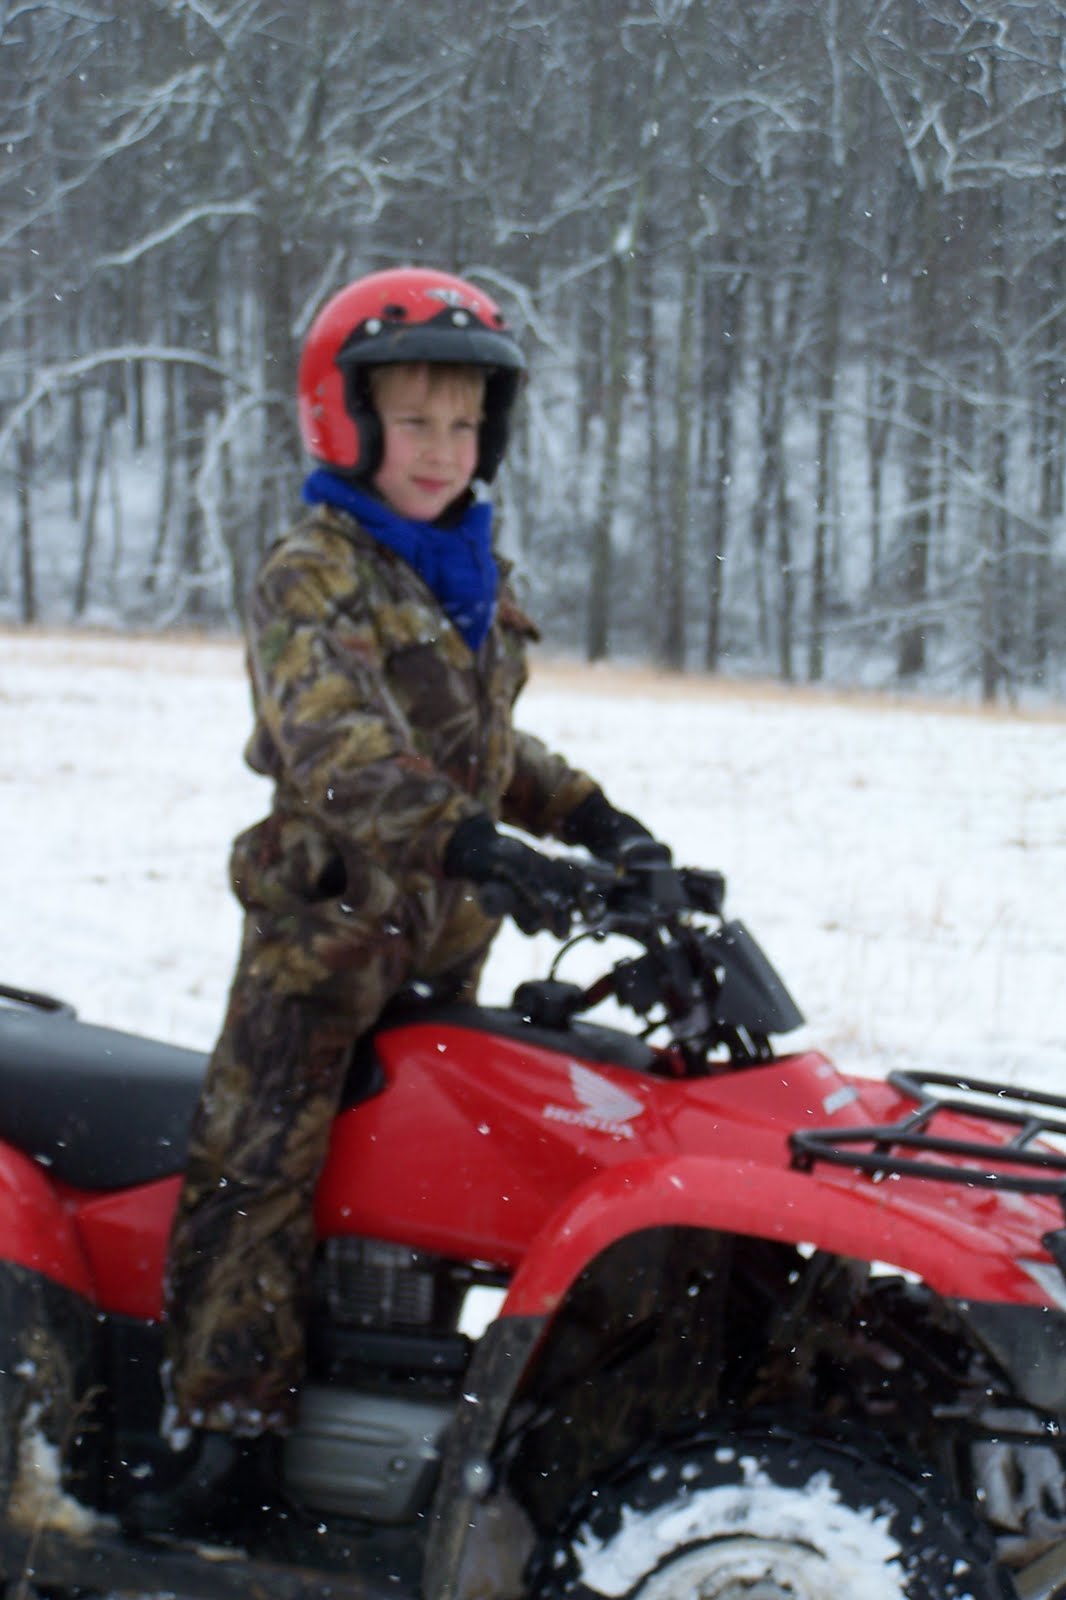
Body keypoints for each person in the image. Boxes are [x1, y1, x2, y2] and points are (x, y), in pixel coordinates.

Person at [124, 266, 666, 1538]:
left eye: (464, 423)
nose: (441, 448)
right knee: (258, 1172)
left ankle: (407, 1408)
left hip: (439, 944)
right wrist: (477, 844)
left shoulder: (464, 573)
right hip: (321, 946)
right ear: (347, 421)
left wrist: (597, 822)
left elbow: (482, 746)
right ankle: (222, 1436)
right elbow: (341, 753)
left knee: (410, 1182)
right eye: (414, 422)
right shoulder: (312, 572)